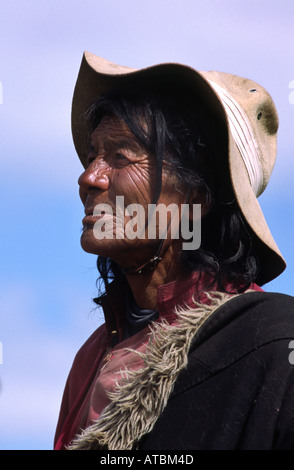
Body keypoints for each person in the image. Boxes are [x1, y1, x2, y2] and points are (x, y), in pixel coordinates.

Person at [54, 51, 294, 450]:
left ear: (196, 198)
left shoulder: (272, 340)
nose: (89, 177)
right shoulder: (92, 358)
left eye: (120, 155)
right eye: (94, 154)